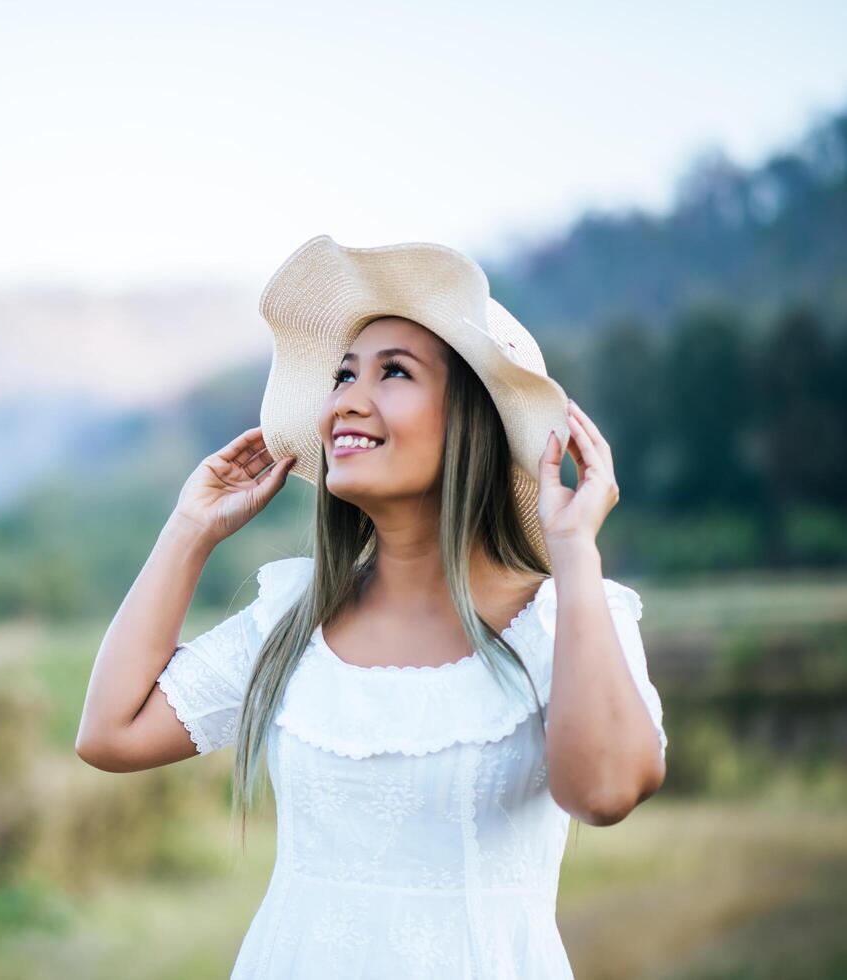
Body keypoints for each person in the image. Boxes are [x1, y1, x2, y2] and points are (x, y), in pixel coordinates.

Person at [75, 234, 668, 978]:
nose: (346, 399)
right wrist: (189, 530)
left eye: (393, 372)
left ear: (471, 420)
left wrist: (574, 550)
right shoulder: (293, 621)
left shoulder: (567, 619)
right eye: (342, 374)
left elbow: (605, 792)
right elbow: (110, 734)